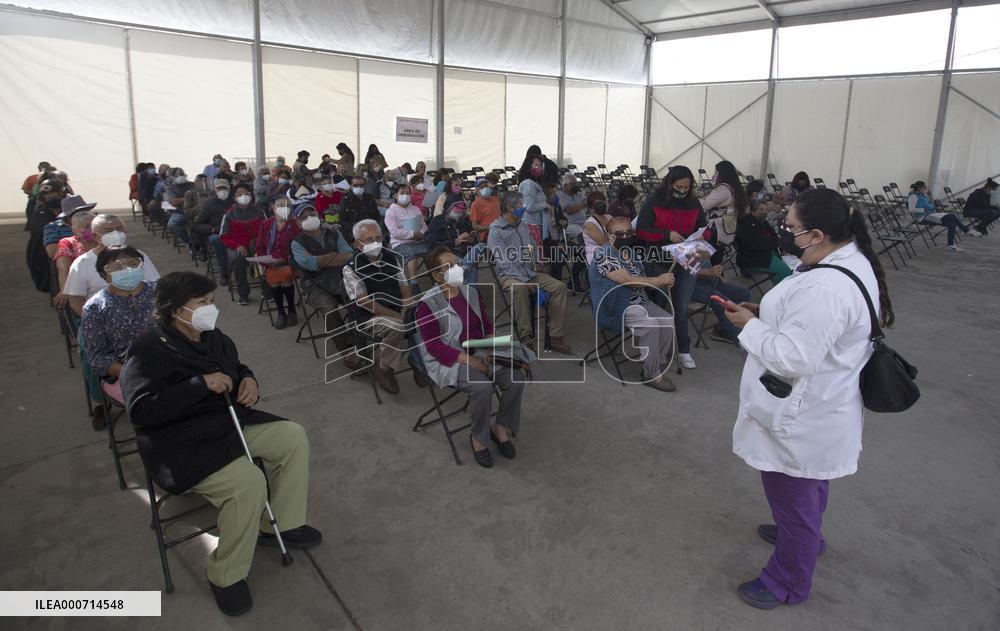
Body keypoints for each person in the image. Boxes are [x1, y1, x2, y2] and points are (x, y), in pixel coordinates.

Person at [723, 188, 894, 611]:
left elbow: (793, 356)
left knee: (793, 490)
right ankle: (805, 537)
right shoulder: (843, 260)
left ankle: (786, 581)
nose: (785, 232)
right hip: (821, 406)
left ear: (816, 234)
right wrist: (768, 312)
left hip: (803, 414)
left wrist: (749, 325)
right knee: (809, 481)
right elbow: (813, 324)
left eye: (791, 227)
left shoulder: (828, 288)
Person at [120, 271, 320, 617]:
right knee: (248, 482)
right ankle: (225, 574)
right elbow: (141, 412)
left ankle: (280, 525)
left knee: (292, 436)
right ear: (174, 311)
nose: (210, 309)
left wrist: (249, 380)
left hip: (228, 423)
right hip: (183, 441)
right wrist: (198, 385)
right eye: (201, 303)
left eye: (211, 301)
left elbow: (237, 366)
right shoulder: (148, 348)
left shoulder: (214, 336)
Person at [414, 246, 530, 468]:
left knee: (516, 377)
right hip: (451, 357)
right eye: (448, 267)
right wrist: (469, 360)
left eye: (456, 263)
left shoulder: (470, 292)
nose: (456, 268)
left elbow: (486, 324)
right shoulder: (427, 304)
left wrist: (490, 346)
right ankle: (478, 438)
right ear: (436, 275)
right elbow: (434, 347)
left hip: (480, 350)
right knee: (482, 387)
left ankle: (500, 427)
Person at [589, 217, 676, 392]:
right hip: (615, 307)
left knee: (667, 320)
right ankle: (652, 374)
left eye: (629, 232)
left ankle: (656, 364)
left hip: (639, 301)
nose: (625, 236)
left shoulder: (629, 251)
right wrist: (659, 280)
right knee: (651, 326)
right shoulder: (603, 256)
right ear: (609, 236)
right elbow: (630, 281)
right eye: (620, 233)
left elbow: (641, 276)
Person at [636, 165, 707, 370]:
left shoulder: (694, 203)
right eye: (679, 186)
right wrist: (666, 235)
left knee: (682, 307)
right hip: (659, 259)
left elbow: (704, 228)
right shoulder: (654, 202)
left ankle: (684, 349)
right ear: (669, 183)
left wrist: (703, 236)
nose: (683, 191)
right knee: (660, 305)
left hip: (688, 257)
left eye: (686, 187)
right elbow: (642, 231)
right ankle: (659, 350)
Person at [487, 191, 572, 354]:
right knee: (519, 288)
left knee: (559, 287)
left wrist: (537, 261)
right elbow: (504, 263)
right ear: (509, 208)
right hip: (510, 276)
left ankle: (555, 336)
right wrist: (526, 282)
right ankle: (526, 336)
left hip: (529, 272)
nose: (523, 207)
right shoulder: (496, 231)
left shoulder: (523, 225)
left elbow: (531, 247)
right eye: (520, 205)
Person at [79, 246, 157, 404]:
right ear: (104, 275)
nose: (127, 270)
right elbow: (97, 358)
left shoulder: (160, 293)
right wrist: (135, 373)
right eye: (117, 267)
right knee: (155, 402)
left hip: (169, 360)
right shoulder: (95, 307)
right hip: (125, 370)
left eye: (133, 263)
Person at [342, 220, 411, 394]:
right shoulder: (351, 268)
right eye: (369, 239)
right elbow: (365, 302)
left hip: (396, 309)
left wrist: (408, 307)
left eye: (378, 238)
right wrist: (397, 315)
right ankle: (384, 368)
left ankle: (419, 363)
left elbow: (405, 288)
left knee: (427, 316)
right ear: (358, 243)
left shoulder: (391, 258)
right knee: (397, 327)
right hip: (369, 316)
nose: (375, 243)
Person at [289, 206, 355, 360]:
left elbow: (348, 255)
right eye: (303, 217)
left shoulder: (334, 233)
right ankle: (346, 352)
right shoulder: (297, 243)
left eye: (311, 214)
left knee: (358, 296)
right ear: (298, 223)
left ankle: (358, 337)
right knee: (329, 308)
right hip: (312, 285)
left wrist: (322, 260)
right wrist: (334, 256)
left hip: (338, 277)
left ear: (318, 216)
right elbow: (310, 263)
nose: (309, 218)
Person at [64, 214, 160, 316]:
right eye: (108, 231)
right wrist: (95, 322)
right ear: (95, 236)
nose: (116, 234)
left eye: (119, 229)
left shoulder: (139, 256)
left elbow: (155, 286)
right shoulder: (82, 263)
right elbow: (76, 301)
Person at [214, 185, 265, 304]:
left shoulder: (259, 211)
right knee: (238, 260)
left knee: (262, 255)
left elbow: (267, 229)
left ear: (251, 195)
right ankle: (243, 294)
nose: (243, 196)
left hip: (256, 244)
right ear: (235, 198)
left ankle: (267, 290)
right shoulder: (229, 214)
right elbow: (223, 236)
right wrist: (237, 245)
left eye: (246, 193)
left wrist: (260, 243)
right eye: (239, 194)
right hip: (237, 246)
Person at [255, 198, 301, 328]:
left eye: (287, 206)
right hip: (270, 262)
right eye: (280, 205)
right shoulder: (266, 224)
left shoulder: (294, 225)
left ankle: (291, 310)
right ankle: (281, 312)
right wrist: (268, 261)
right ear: (273, 208)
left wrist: (285, 259)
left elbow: (300, 247)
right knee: (274, 278)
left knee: (286, 275)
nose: (283, 208)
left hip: (290, 262)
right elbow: (259, 247)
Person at [907, 181, 981, 251]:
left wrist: (930, 207)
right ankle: (967, 231)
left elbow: (927, 205)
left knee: (952, 224)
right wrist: (924, 209)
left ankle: (950, 245)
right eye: (925, 188)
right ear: (920, 189)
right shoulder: (913, 196)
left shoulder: (922, 196)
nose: (927, 189)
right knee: (952, 216)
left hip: (930, 214)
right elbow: (911, 209)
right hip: (922, 217)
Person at [735, 196, 792, 283]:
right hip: (754, 259)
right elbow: (756, 244)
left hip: (766, 254)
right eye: (760, 210)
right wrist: (777, 243)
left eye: (765, 210)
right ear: (752, 211)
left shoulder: (763, 222)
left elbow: (774, 237)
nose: (764, 212)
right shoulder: (746, 224)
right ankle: (780, 293)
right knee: (786, 272)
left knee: (791, 266)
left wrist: (782, 247)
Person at [425, 198, 481, 283]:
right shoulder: (437, 221)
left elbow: (467, 232)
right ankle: (469, 292)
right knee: (469, 268)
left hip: (459, 252)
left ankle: (469, 290)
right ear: (448, 208)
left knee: (477, 253)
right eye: (456, 210)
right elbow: (432, 244)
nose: (459, 213)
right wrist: (455, 242)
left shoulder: (460, 221)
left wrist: (470, 238)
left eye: (461, 211)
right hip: (442, 254)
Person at [52, 207, 97, 309]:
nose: (91, 229)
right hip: (81, 287)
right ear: (75, 230)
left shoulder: (102, 240)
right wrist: (64, 290)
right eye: (86, 227)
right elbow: (63, 267)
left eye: (94, 226)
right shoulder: (68, 242)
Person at [384, 184, 428, 285]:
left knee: (433, 252)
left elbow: (424, 226)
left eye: (407, 193)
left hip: (418, 240)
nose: (405, 195)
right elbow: (395, 232)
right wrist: (412, 234)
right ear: (396, 195)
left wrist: (421, 233)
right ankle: (413, 282)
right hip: (400, 244)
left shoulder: (416, 209)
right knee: (411, 255)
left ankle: (436, 278)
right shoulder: (391, 211)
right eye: (402, 193)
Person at [700, 160, 746, 246]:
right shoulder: (734, 187)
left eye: (716, 173)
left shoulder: (723, 189)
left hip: (716, 230)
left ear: (722, 174)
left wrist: (697, 199)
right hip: (727, 229)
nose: (714, 176)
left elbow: (705, 206)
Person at [192, 178, 232, 258]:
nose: (222, 190)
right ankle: (223, 268)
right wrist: (211, 229)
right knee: (217, 239)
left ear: (229, 189)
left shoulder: (233, 201)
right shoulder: (209, 203)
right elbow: (197, 224)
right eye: (219, 188)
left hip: (232, 230)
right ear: (215, 190)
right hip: (215, 232)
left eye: (224, 188)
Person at [517, 156, 550, 247]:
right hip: (531, 225)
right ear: (529, 166)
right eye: (536, 165)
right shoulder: (529, 184)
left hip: (536, 223)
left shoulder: (534, 183)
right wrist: (545, 205)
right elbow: (529, 207)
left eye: (540, 165)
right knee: (534, 256)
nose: (539, 167)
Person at [338, 175, 381, 244]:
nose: (359, 187)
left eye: (361, 185)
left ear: (364, 186)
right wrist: (357, 229)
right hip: (353, 233)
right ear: (351, 186)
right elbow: (342, 220)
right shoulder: (345, 200)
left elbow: (376, 216)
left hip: (370, 231)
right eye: (356, 185)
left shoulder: (369, 198)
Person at [163, 168, 198, 254]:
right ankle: (190, 242)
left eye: (181, 175)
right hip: (180, 212)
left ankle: (199, 243)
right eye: (177, 175)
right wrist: (189, 197)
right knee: (172, 224)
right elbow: (173, 202)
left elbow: (199, 197)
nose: (180, 177)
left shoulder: (192, 185)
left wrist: (181, 199)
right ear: (172, 177)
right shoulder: (170, 187)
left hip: (194, 211)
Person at [583, 192, 611, 265]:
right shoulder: (590, 224)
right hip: (597, 257)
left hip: (611, 253)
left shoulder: (609, 217)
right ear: (591, 208)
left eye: (603, 203)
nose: (602, 206)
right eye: (598, 205)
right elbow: (605, 244)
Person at [470, 177, 501, 242]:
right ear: (477, 190)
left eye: (486, 186)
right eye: (482, 187)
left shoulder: (496, 199)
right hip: (488, 234)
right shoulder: (476, 204)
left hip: (501, 230)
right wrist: (490, 227)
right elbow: (475, 225)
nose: (485, 188)